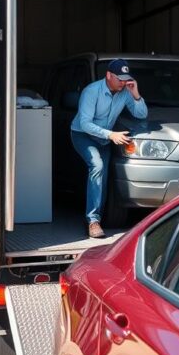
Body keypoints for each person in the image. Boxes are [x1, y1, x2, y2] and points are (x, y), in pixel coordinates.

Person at [71, 59, 147, 238]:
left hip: (104, 138)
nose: (122, 82)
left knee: (102, 174)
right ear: (108, 76)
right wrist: (111, 135)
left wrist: (136, 94)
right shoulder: (91, 91)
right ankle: (93, 221)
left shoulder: (125, 91)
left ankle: (95, 217)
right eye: (119, 79)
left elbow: (141, 114)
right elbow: (85, 124)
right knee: (97, 166)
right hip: (83, 134)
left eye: (125, 79)